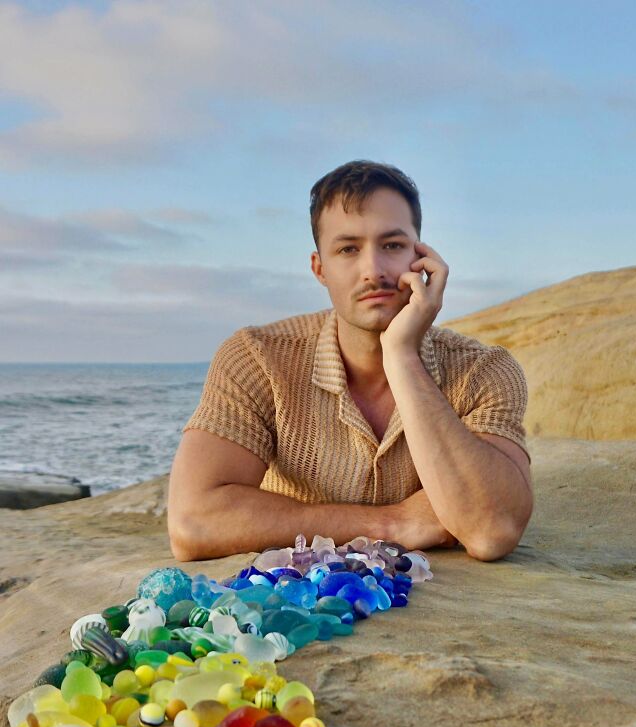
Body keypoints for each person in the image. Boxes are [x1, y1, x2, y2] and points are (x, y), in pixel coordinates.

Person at [168, 160, 532, 562]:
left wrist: (402, 356)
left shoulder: (484, 371)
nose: (373, 271)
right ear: (319, 268)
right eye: (348, 249)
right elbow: (193, 523)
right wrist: (390, 524)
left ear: (422, 255)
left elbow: (491, 531)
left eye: (392, 245)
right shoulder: (258, 358)